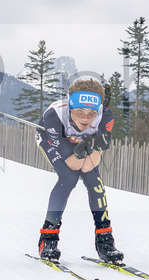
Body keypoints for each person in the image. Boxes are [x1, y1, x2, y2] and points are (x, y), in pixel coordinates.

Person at [35, 78, 122, 263]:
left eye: (91, 113)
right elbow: (73, 165)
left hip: (81, 144)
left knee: (95, 182)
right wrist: (84, 148)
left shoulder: (106, 118)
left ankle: (105, 240)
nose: (85, 118)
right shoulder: (54, 116)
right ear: (70, 107)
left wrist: (89, 148)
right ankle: (48, 238)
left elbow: (91, 164)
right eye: (79, 111)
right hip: (53, 138)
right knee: (68, 178)